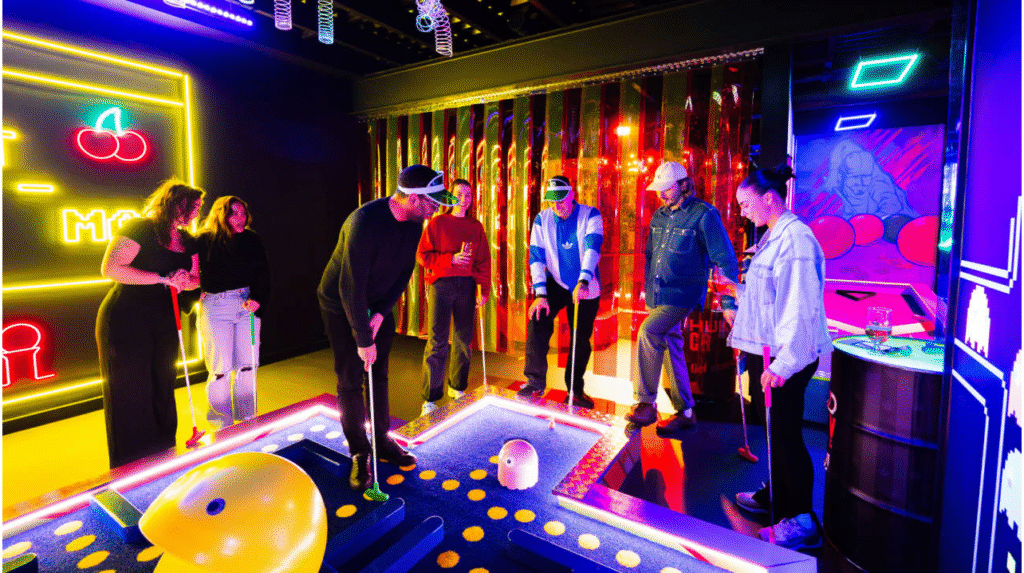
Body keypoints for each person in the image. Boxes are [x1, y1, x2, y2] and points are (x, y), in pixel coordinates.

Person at [318, 164, 458, 491]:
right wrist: (363, 338)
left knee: (379, 373)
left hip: (377, 302)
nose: (438, 207)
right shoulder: (363, 224)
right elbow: (350, 287)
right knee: (352, 378)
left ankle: (381, 440)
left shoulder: (414, 223)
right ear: (410, 197)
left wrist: (380, 314)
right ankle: (358, 451)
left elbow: (404, 273)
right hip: (341, 304)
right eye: (432, 200)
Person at [715, 165, 834, 550]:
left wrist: (783, 364)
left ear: (769, 198)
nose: (742, 212)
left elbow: (799, 306)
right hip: (773, 351)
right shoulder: (771, 238)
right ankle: (778, 497)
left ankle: (801, 519)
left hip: (790, 357)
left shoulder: (795, 239)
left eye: (746, 203)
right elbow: (767, 296)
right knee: (776, 431)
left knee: (786, 435)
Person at [96, 179, 204, 469]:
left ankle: (162, 452)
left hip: (165, 316)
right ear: (173, 203)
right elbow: (111, 268)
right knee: (129, 388)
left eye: (197, 208)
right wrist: (161, 278)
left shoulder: (188, 240)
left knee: (162, 382)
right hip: (126, 317)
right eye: (191, 207)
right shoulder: (139, 227)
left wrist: (185, 279)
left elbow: (196, 279)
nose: (195, 213)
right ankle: (129, 464)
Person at [627, 161, 739, 434]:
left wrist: (728, 301)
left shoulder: (704, 214)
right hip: (660, 293)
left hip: (684, 293)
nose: (661, 194)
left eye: (666, 188)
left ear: (682, 185)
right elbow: (651, 256)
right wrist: (648, 293)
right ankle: (686, 410)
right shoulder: (659, 216)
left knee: (648, 332)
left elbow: (724, 258)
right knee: (671, 344)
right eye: (659, 189)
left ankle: (645, 403)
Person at [516, 176, 603, 409]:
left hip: (586, 285)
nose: (558, 207)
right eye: (552, 203)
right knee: (538, 318)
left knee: (580, 338)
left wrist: (583, 280)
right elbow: (536, 256)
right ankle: (534, 382)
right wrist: (540, 295)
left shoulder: (590, 215)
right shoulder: (542, 219)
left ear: (572, 195)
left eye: (562, 201)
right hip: (555, 281)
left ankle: (574, 391)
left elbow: (593, 248)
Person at [417, 179, 491, 416]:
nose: (464, 198)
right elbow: (422, 255)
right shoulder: (438, 223)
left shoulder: (475, 226)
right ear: (450, 197)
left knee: (463, 340)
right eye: (459, 193)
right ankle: (430, 398)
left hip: (467, 286)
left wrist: (484, 289)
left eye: (468, 194)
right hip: (441, 284)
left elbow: (483, 261)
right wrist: (450, 260)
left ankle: (457, 387)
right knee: (437, 341)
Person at [195, 196, 271, 428]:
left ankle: (248, 421)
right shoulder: (204, 240)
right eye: (234, 213)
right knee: (220, 370)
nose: (241, 218)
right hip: (216, 306)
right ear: (221, 215)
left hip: (246, 304)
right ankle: (222, 427)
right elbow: (191, 272)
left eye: (243, 213)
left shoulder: (251, 239)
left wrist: (258, 298)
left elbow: (263, 272)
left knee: (248, 365)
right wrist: (193, 291)